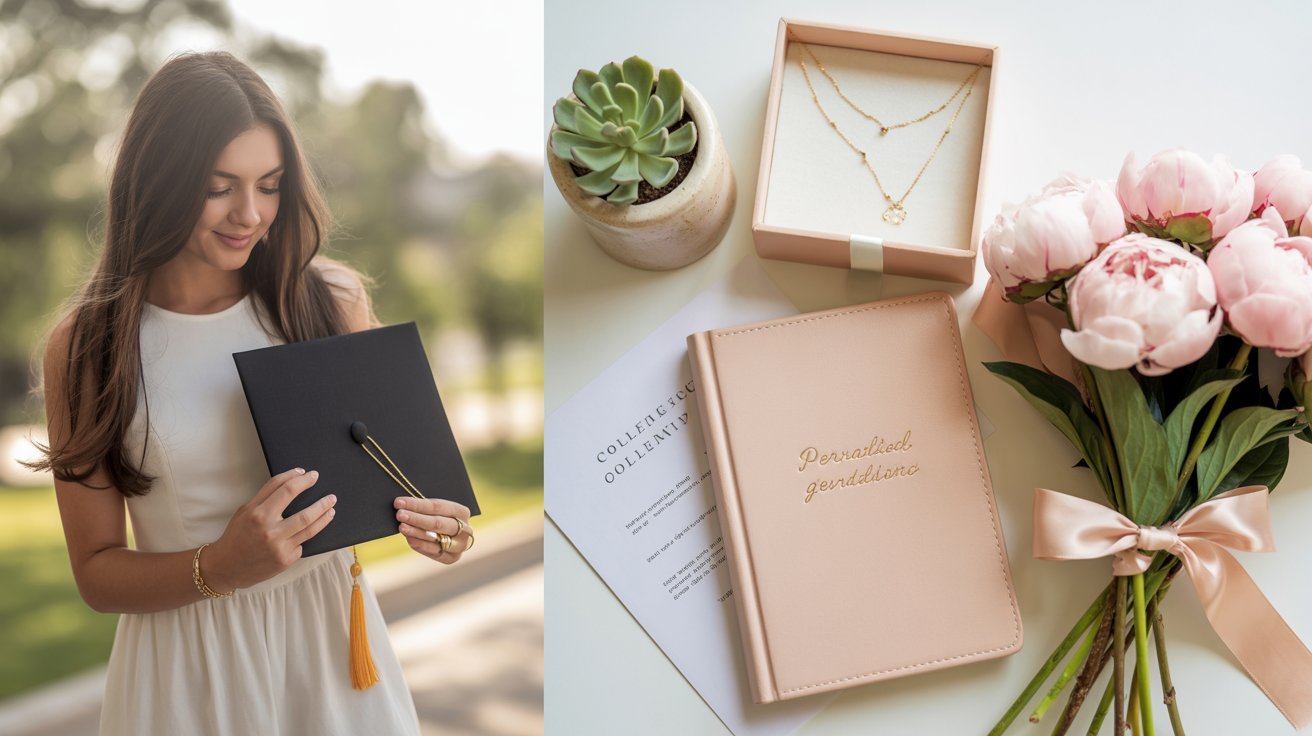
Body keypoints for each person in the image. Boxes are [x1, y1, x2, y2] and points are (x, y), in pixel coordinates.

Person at [27, 51, 473, 735]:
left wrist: (443, 528)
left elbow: (405, 479)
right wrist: (220, 567)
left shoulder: (327, 302)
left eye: (269, 184)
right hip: (186, 672)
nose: (250, 213)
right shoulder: (90, 346)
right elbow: (95, 572)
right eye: (218, 187)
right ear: (159, 182)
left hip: (331, 654)